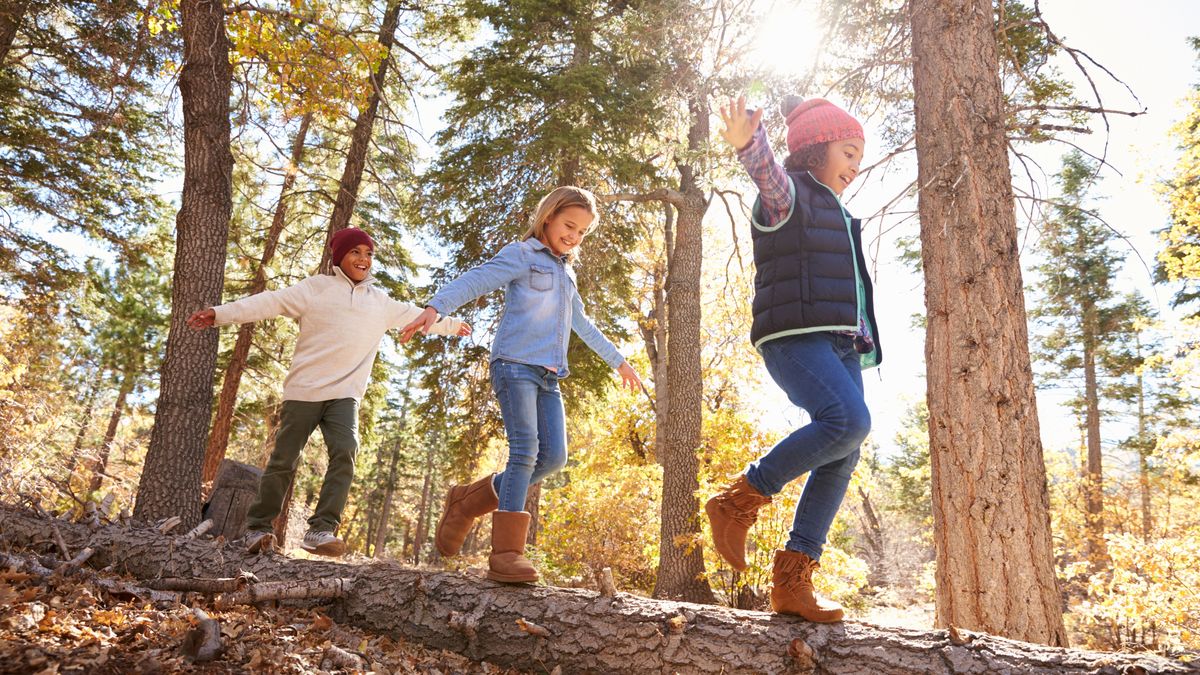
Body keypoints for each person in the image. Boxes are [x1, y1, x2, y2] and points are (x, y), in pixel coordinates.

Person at [401, 186, 642, 583]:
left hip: (549, 376)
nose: (574, 237)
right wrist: (435, 307)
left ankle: (467, 501)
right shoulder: (522, 255)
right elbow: (476, 280)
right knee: (525, 450)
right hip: (514, 365)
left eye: (582, 232)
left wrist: (619, 361)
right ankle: (507, 553)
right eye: (569, 226)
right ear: (548, 217)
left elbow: (581, 323)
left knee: (554, 458)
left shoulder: (566, 273)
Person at [187, 227, 470, 556]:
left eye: (368, 254)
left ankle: (320, 530)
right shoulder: (316, 289)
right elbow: (269, 302)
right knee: (283, 461)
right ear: (340, 257)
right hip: (304, 391)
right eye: (355, 252)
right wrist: (219, 314)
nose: (363, 259)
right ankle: (258, 528)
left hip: (345, 395)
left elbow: (417, 316)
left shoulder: (380, 302)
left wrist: (450, 325)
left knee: (346, 450)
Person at [706, 95, 883, 622]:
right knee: (848, 420)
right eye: (848, 152)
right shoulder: (791, 196)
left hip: (841, 343)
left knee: (844, 449)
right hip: (794, 337)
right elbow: (766, 175)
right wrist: (749, 144)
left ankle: (793, 581)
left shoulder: (841, 213)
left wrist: (864, 337)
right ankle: (738, 500)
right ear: (813, 151)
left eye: (859, 156)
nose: (855, 165)